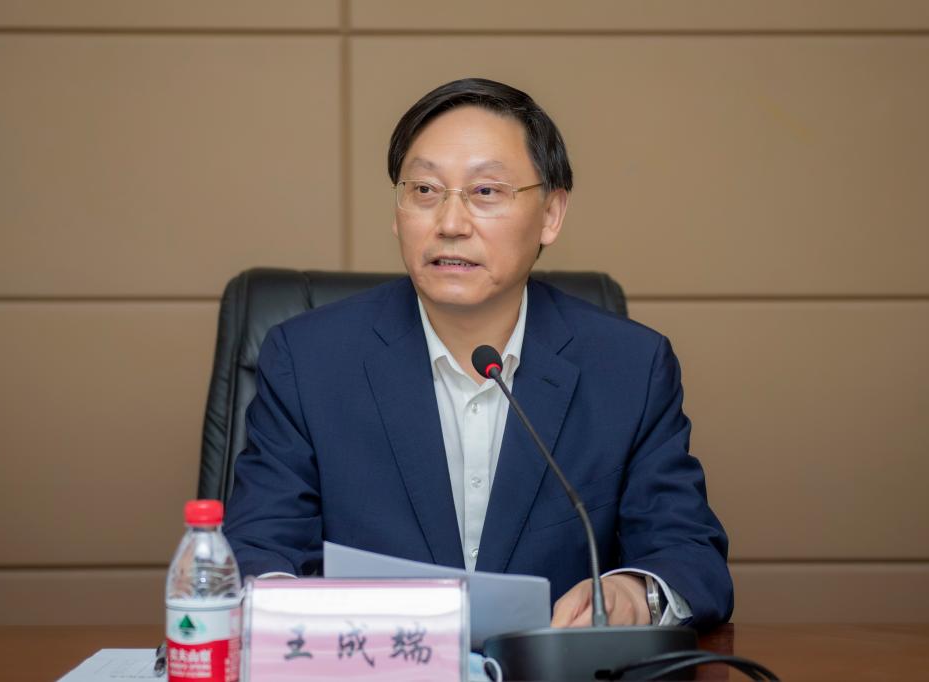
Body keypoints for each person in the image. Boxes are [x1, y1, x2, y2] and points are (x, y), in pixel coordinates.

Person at [224, 78, 733, 629]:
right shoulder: (308, 361)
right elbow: (259, 546)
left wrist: (635, 592)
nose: (450, 224)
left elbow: (688, 553)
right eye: (424, 190)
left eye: (486, 192)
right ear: (397, 210)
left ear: (551, 214)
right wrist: (282, 612)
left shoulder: (630, 368)